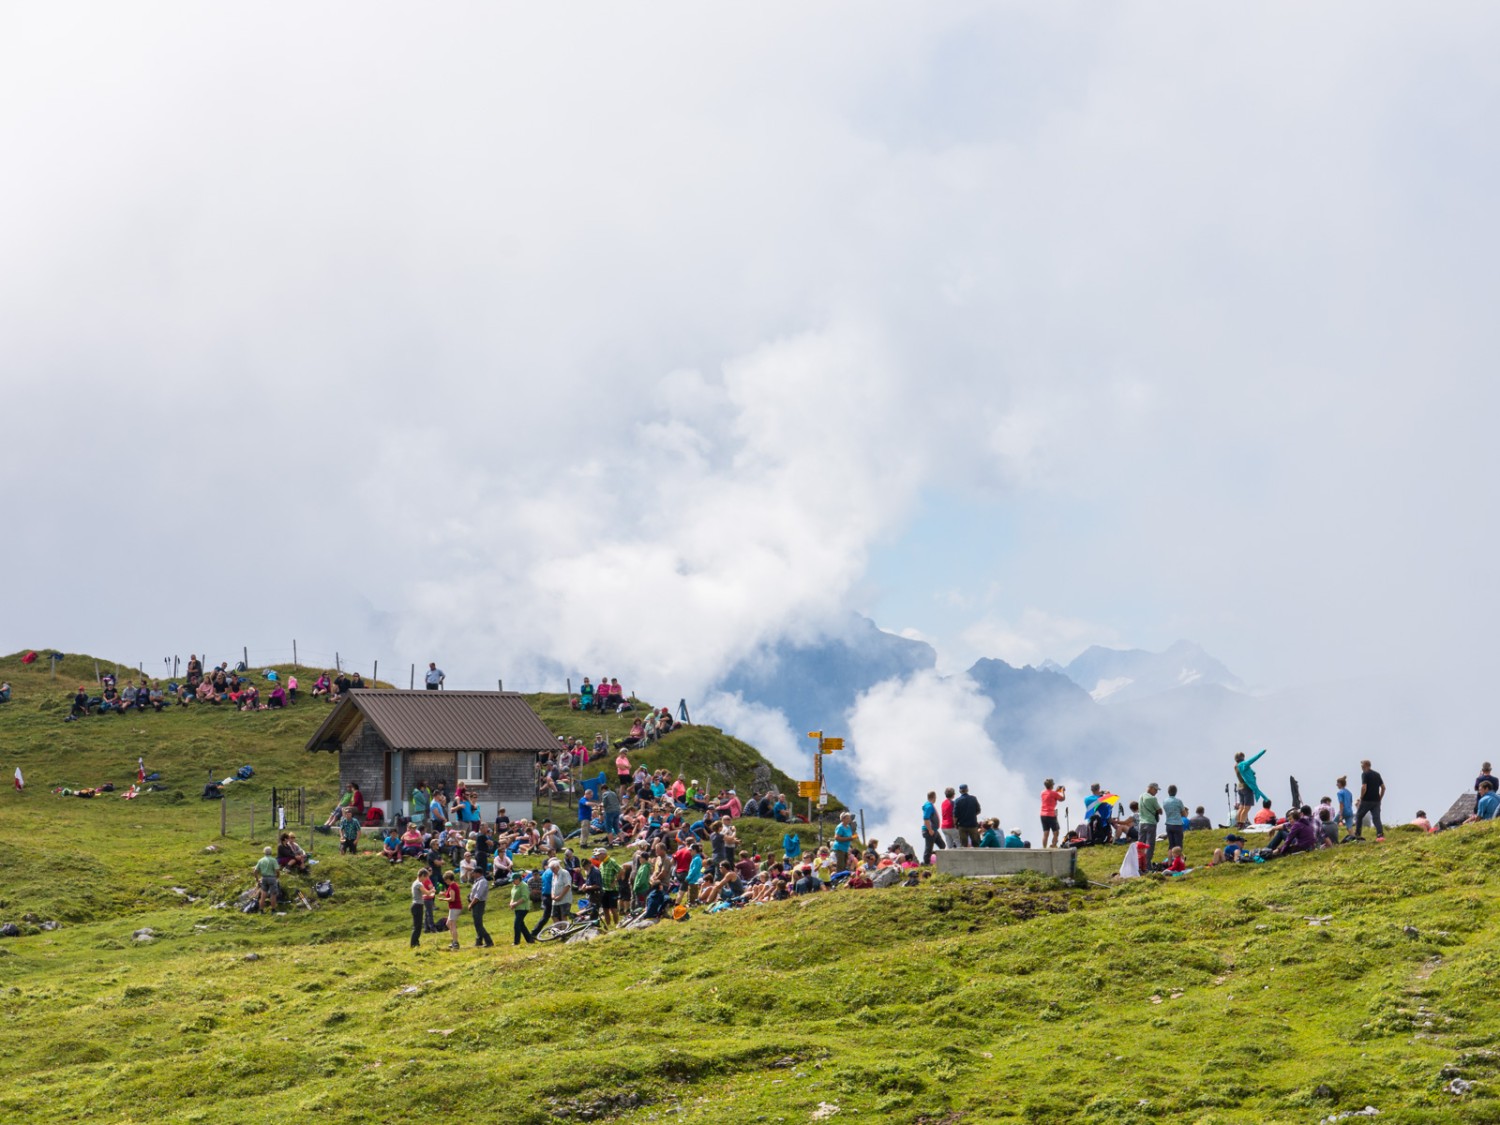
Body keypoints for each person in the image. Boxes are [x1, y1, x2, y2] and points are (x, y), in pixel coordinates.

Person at [1234, 750, 1269, 826]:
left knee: (1241, 807)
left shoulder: (1236, 766)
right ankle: (1241, 824)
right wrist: (1262, 752)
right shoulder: (1243, 765)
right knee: (1247, 808)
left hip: (1240, 787)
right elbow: (1253, 759)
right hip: (1247, 787)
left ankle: (1237, 824)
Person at [1355, 759, 1386, 841]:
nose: (1361, 767)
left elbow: (1364, 787)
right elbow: (1383, 788)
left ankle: (1357, 835)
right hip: (1376, 801)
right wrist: (1380, 798)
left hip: (1366, 800)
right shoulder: (1377, 774)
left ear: (1365, 765)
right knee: (1376, 818)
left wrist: (1361, 797)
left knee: (1359, 816)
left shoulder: (1365, 774)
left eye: (1362, 765)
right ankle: (1380, 835)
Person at [1137, 783, 1162, 866]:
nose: (1156, 792)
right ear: (1151, 788)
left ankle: (1138, 863)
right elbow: (1160, 811)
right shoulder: (1152, 798)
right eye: (1155, 790)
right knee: (1149, 845)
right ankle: (1147, 865)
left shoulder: (1141, 796)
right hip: (1150, 823)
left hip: (1141, 823)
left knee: (1140, 845)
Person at [469, 870, 493, 948]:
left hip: (478, 904)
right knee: (477, 923)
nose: (473, 874)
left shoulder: (482, 882)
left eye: (474, 873)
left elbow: (478, 896)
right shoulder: (477, 881)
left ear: (478, 873)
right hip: (476, 903)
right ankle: (479, 940)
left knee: (478, 924)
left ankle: (488, 941)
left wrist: (471, 904)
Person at [441, 872, 463, 950]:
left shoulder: (452, 886)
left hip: (454, 907)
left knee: (452, 925)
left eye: (445, 880)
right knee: (448, 924)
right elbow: (450, 895)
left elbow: (452, 899)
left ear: (448, 879)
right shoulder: (453, 886)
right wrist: (444, 894)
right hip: (455, 907)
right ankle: (454, 940)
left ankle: (455, 943)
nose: (445, 881)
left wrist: (443, 899)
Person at [254, 846, 280, 913]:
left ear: (264, 852)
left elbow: (255, 871)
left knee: (263, 895)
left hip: (264, 878)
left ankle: (261, 910)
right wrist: (277, 876)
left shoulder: (261, 860)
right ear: (271, 852)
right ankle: (273, 910)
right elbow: (277, 870)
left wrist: (257, 879)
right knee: (273, 894)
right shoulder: (273, 860)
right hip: (272, 878)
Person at [1039, 780, 1064, 849]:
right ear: (1051, 785)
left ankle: (1044, 847)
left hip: (1043, 814)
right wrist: (1063, 792)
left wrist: (1056, 791)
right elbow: (1062, 799)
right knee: (1056, 832)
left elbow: (1050, 795)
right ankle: (1054, 845)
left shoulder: (1042, 792)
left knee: (1046, 833)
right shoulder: (1054, 793)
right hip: (1051, 814)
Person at [410, 868, 430, 948]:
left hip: (416, 905)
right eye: (425, 877)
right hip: (418, 906)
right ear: (422, 876)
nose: (426, 880)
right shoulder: (419, 884)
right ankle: (414, 943)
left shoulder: (415, 883)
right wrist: (432, 890)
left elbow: (421, 895)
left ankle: (416, 942)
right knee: (417, 926)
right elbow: (427, 892)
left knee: (417, 926)